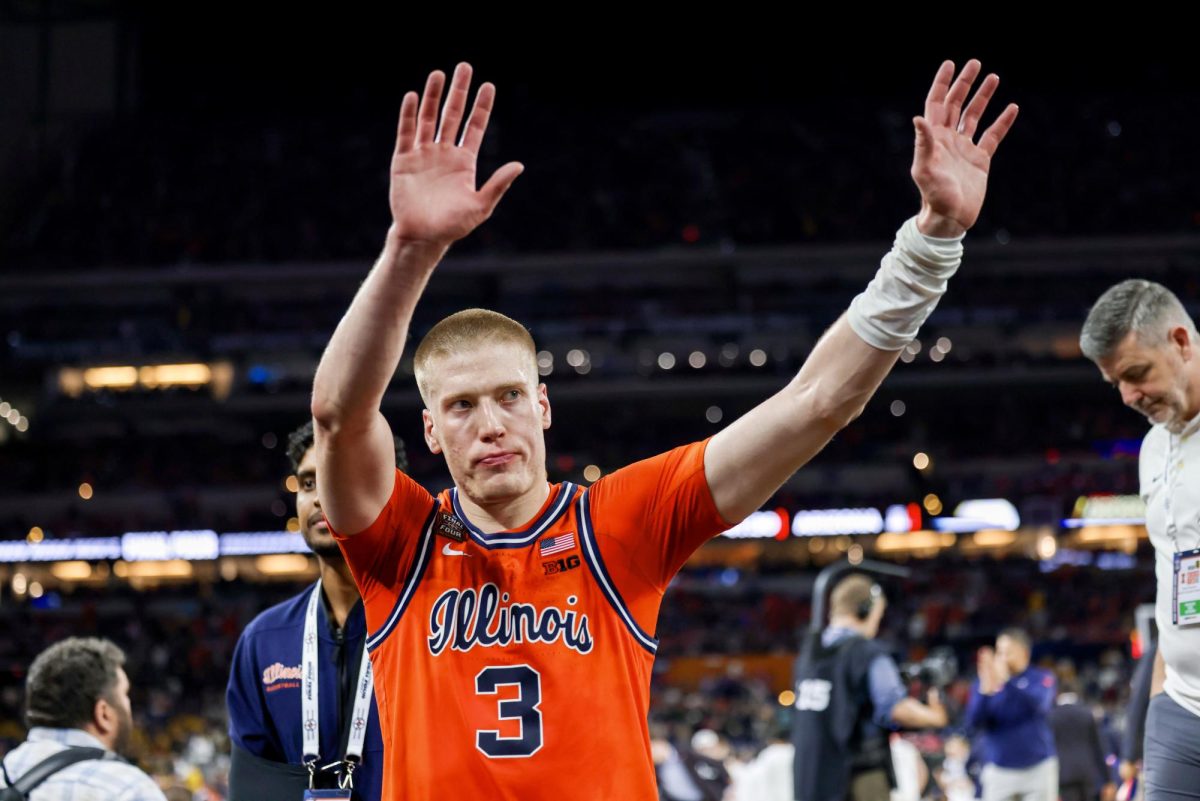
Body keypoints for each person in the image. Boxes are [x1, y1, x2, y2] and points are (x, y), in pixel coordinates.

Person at [311, 59, 1017, 800]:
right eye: (461, 407)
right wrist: (411, 250)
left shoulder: (620, 521)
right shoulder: (400, 541)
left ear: (543, 406)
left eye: (509, 396)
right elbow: (338, 414)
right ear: (427, 429)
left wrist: (932, 241)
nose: (491, 424)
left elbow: (816, 400)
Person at [225, 421, 406, 800]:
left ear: (389, 491)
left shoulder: (432, 624)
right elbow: (252, 789)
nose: (320, 497)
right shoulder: (263, 641)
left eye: (338, 477)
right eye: (307, 483)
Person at [1081, 279, 1200, 800]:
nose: (1128, 396)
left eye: (1136, 374)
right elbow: (1170, 573)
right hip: (1179, 707)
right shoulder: (1152, 448)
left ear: (1181, 342)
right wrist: (1157, 702)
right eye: (1116, 384)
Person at [792, 575, 948, 801]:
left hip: (811, 778)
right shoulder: (866, 654)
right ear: (865, 610)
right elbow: (894, 709)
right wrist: (935, 717)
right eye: (879, 615)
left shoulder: (807, 657)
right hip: (857, 776)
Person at [0, 637, 167, 801]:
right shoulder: (128, 788)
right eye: (125, 695)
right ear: (103, 714)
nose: (129, 704)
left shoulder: (6, 773)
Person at [964, 629, 1058, 801]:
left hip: (1037, 767)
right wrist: (985, 690)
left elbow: (1038, 705)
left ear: (1024, 653)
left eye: (1008, 652)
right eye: (999, 652)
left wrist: (1007, 681)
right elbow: (973, 722)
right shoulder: (987, 681)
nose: (1002, 658)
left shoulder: (1041, 677)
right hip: (999, 769)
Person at [1048, 684, 1115, 801]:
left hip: (1063, 774)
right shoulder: (1087, 713)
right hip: (1088, 773)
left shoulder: (1051, 717)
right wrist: (1108, 779)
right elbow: (1098, 748)